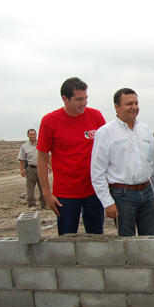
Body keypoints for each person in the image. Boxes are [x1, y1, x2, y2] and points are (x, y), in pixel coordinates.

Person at [37, 77, 106, 235]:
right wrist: (47, 194)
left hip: (94, 190)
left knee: (96, 237)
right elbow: (41, 159)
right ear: (65, 99)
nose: (84, 103)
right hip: (65, 194)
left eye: (86, 98)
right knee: (67, 239)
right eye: (79, 99)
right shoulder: (50, 121)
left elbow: (108, 151)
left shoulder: (95, 116)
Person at [91, 88, 154, 236]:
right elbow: (97, 171)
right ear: (117, 107)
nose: (134, 107)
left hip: (147, 193)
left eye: (136, 103)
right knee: (127, 242)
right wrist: (108, 202)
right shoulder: (105, 132)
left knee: (151, 240)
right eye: (129, 104)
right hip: (122, 195)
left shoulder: (145, 130)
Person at [17, 129, 47, 210]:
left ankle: (44, 204)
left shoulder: (41, 144)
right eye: (31, 134)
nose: (33, 136)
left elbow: (48, 155)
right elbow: (22, 159)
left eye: (34, 134)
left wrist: (50, 166)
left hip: (41, 168)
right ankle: (32, 205)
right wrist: (22, 170)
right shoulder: (24, 147)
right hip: (30, 169)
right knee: (30, 187)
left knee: (43, 186)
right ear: (28, 135)